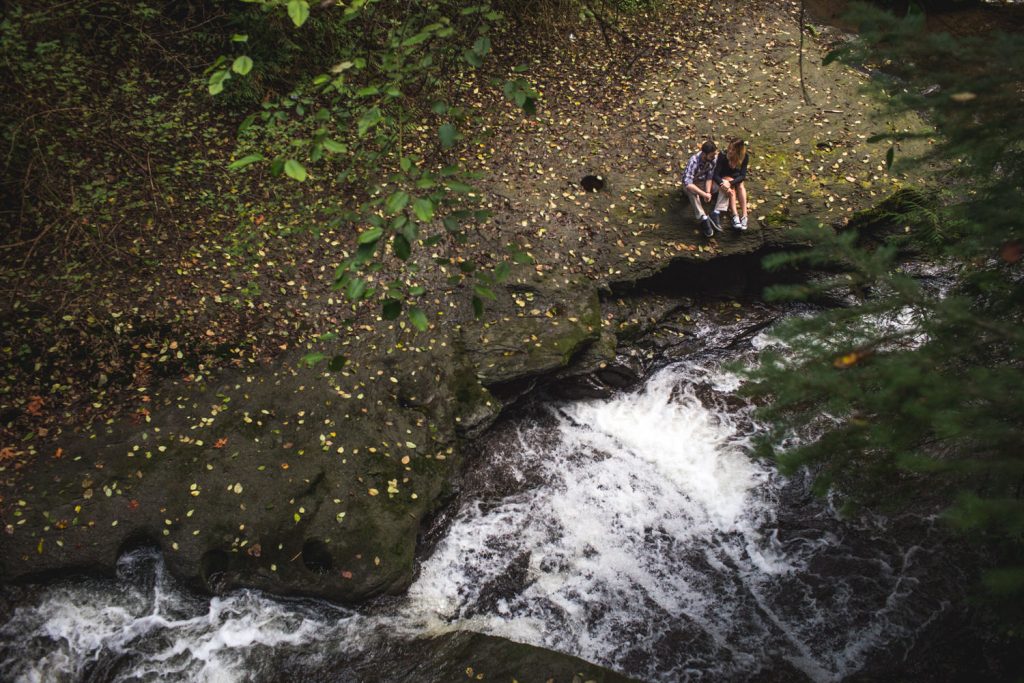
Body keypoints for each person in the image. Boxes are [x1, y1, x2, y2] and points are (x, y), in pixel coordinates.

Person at [682, 139, 720, 237]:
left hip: (704, 183)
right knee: (691, 191)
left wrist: (707, 192)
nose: (714, 157)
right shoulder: (694, 161)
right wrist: (703, 194)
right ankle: (703, 217)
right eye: (712, 155)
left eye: (714, 154)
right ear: (704, 154)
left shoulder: (713, 159)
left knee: (722, 185)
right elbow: (688, 182)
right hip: (693, 184)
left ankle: (716, 212)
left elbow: (709, 177)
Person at [711, 138, 750, 231]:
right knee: (730, 186)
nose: (730, 151)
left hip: (736, 179)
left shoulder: (745, 157)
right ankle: (735, 215)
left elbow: (743, 175)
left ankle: (745, 215)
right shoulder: (723, 155)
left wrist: (732, 182)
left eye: (733, 150)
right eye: (729, 148)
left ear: (739, 151)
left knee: (740, 186)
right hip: (725, 177)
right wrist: (723, 183)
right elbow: (715, 174)